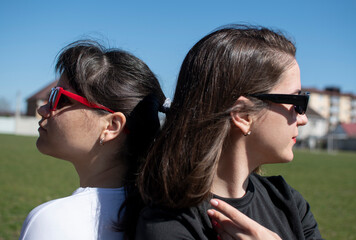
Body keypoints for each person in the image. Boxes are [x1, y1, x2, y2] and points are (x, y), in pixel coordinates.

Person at [136, 25, 323, 240]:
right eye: (298, 102)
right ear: (243, 115)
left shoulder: (288, 202)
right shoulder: (168, 225)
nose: (303, 118)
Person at [19, 40, 166, 240]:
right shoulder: (165, 219)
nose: (42, 110)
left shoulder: (53, 222)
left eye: (59, 98)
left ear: (111, 126)